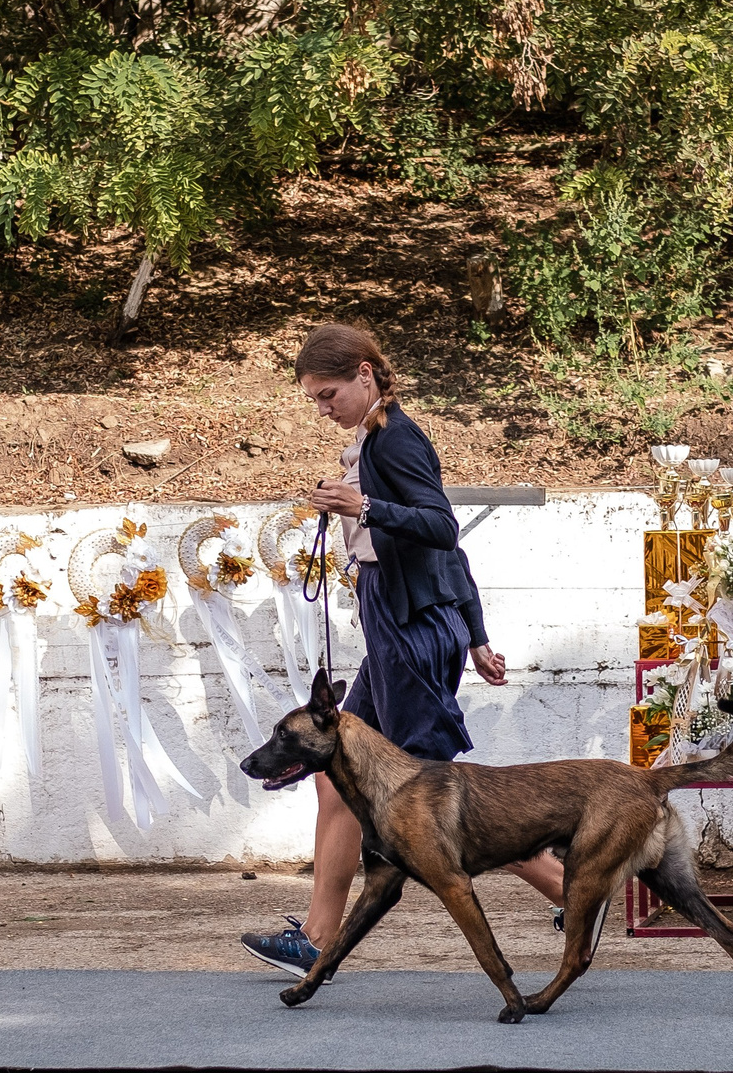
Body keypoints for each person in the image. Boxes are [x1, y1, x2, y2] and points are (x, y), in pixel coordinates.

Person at [241, 323, 567, 978]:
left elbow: (445, 529)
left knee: (442, 804)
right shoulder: (371, 440)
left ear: (367, 374)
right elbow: (439, 547)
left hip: (410, 639)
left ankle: (572, 890)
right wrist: (474, 635)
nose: (323, 409)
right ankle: (316, 938)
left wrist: (364, 504)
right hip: (398, 633)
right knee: (337, 783)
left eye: (329, 394)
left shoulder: (397, 438)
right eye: (315, 400)